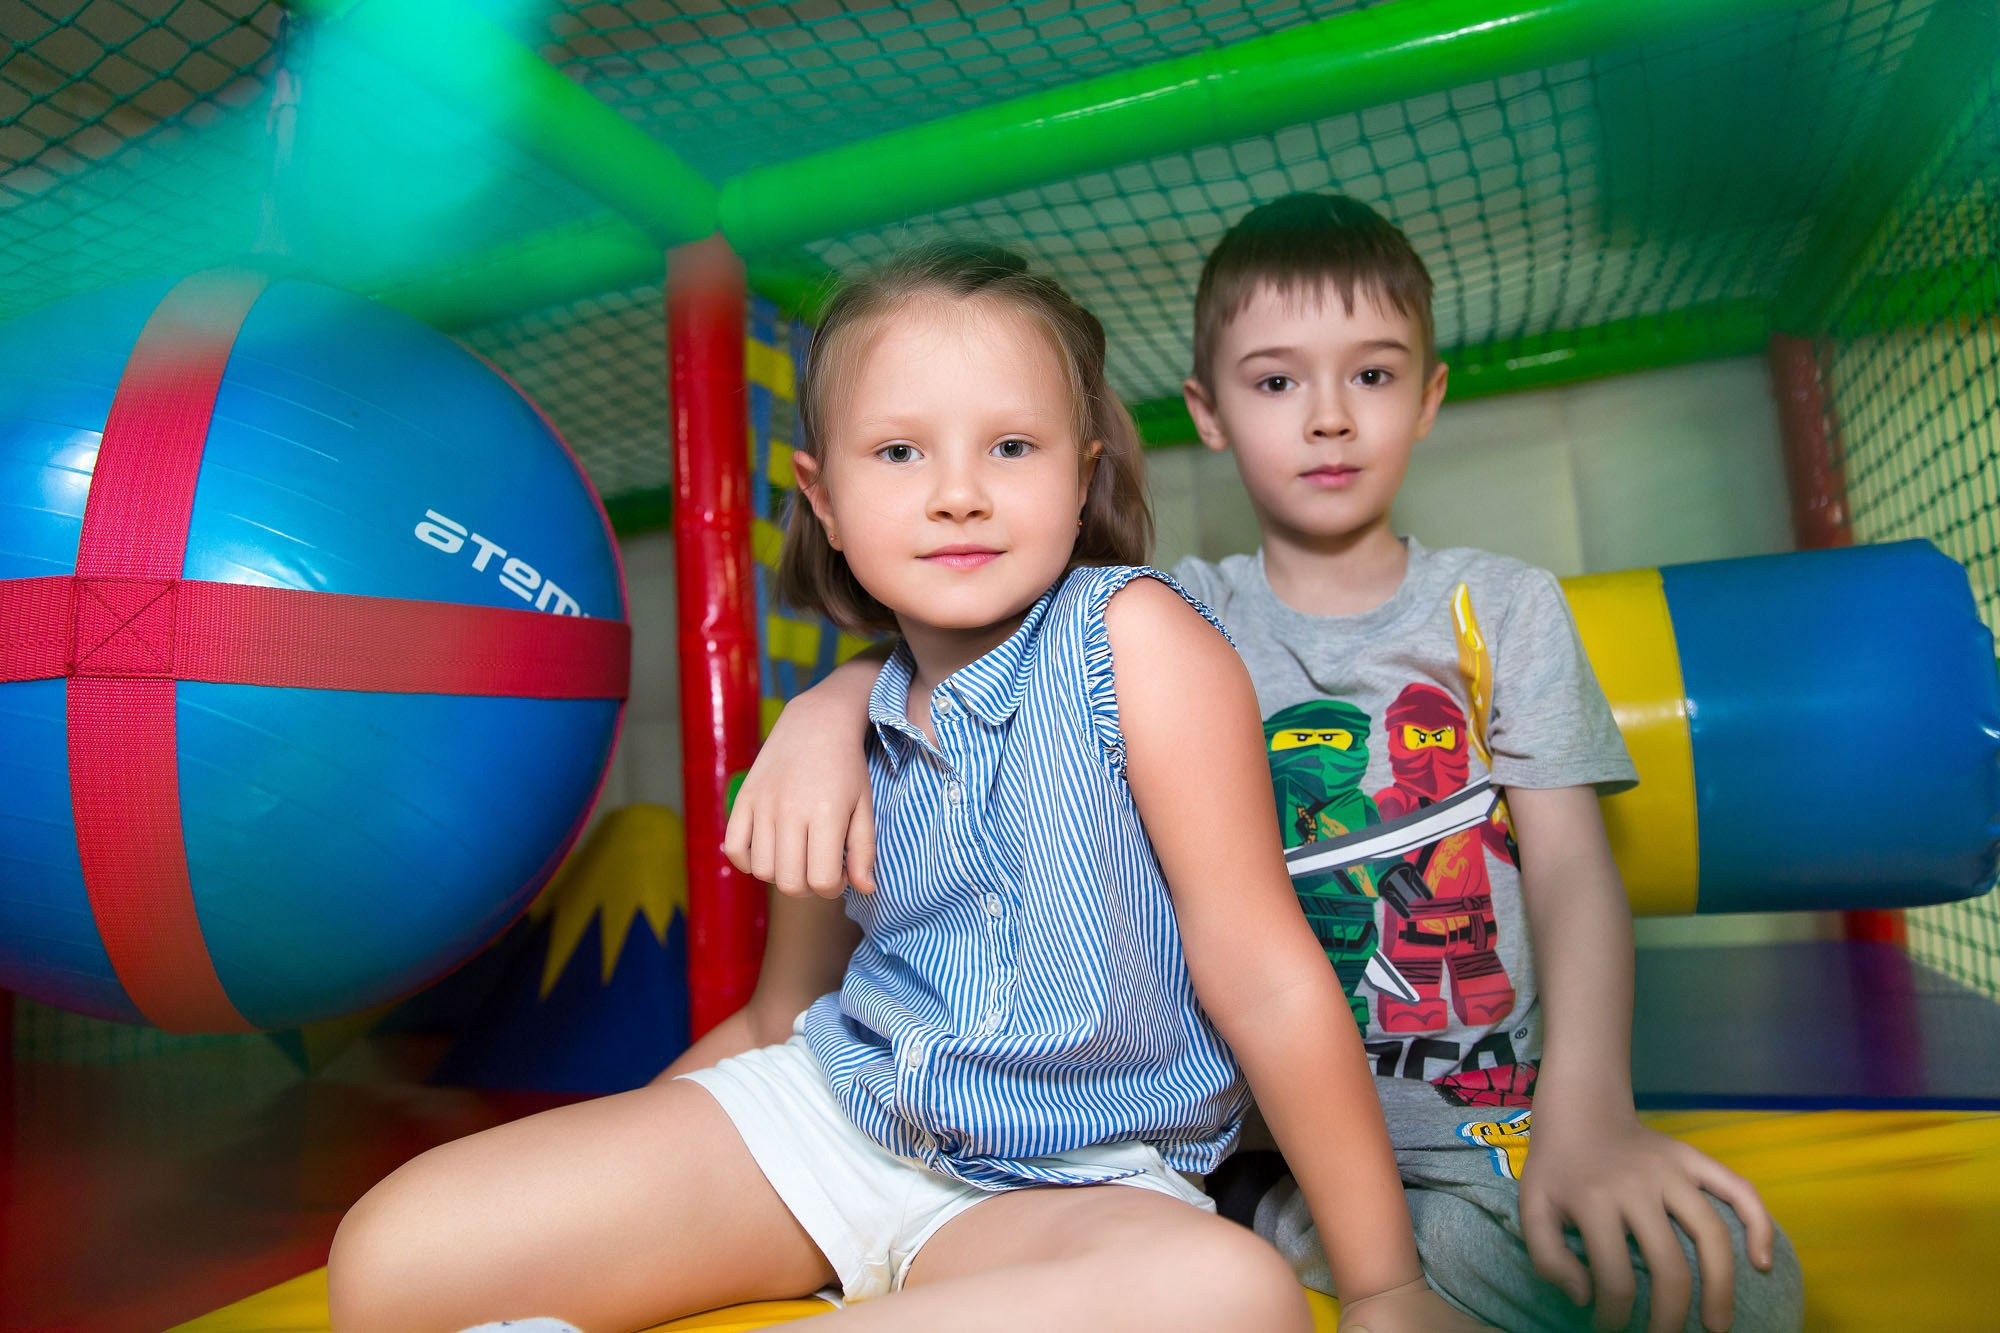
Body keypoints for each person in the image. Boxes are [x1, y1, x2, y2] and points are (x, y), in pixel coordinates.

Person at [326, 242, 1488, 1333]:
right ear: (822, 497)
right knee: (391, 1260)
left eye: (1011, 448)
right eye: (898, 452)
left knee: (1226, 1297)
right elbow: (785, 1013)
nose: (957, 494)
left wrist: (1383, 1283)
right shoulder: (833, 727)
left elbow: (1266, 977)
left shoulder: (1133, 641)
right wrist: (638, 1150)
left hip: (1067, 1188)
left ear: (1081, 480)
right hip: (833, 1122)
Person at [729, 199, 1804, 1333]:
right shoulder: (1169, 615)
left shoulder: (1501, 607)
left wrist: (1590, 1114)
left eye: (1373, 377)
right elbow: (971, 647)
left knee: (1735, 1284)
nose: (1328, 420)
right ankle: (1282, 1229)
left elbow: (1575, 876)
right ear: (1207, 412)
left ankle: (1338, 1249)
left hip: (1470, 1117)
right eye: (1276, 382)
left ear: (1430, 396)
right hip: (1235, 1136)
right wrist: (833, 700)